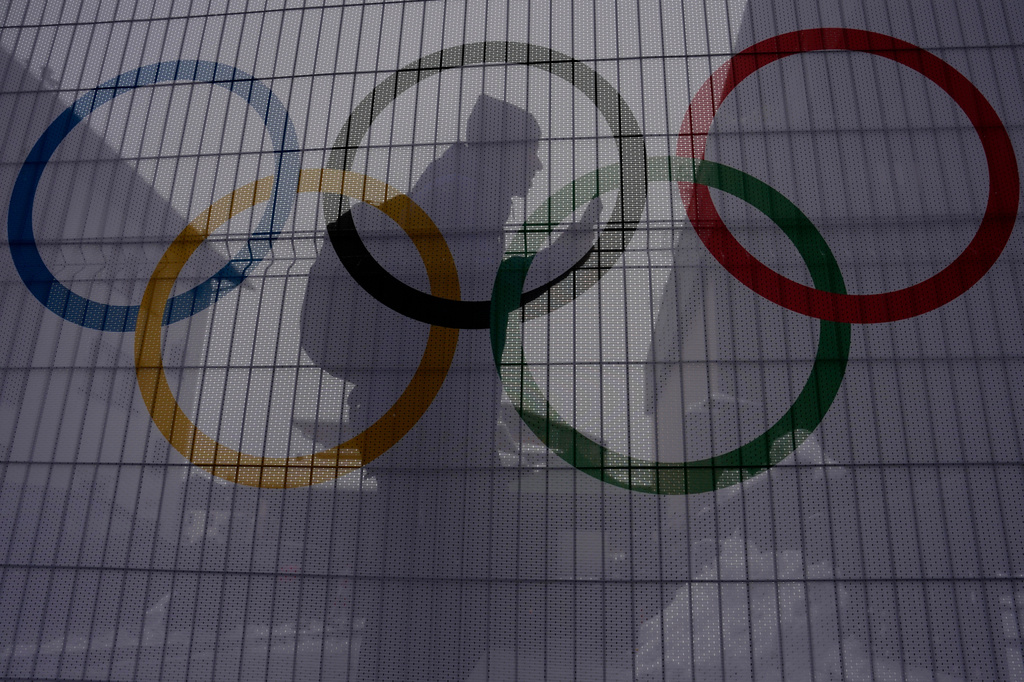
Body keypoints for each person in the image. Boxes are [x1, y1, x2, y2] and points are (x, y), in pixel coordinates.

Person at [301, 93, 600, 680]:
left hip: (419, 420)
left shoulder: (456, 196)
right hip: (431, 426)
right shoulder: (458, 201)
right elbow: (481, 287)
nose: (536, 170)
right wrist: (566, 251)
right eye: (530, 155)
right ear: (499, 152)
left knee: (420, 581)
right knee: (438, 585)